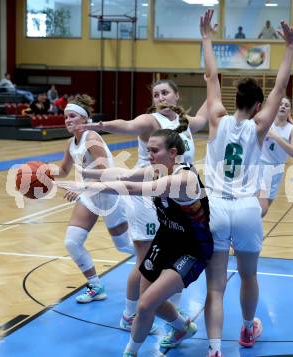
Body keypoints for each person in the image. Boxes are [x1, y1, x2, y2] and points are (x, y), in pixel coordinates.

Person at [57, 127, 214, 357]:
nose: (149, 154)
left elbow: (130, 188)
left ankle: (131, 352)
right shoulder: (156, 170)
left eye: (154, 150)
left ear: (172, 153)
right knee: (151, 302)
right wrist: (86, 175)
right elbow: (125, 175)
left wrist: (85, 187)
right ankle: (183, 328)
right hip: (166, 240)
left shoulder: (184, 178)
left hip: (191, 248)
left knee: (145, 305)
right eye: (148, 149)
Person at [200, 9, 293, 356]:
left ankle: (213, 349)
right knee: (249, 276)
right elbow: (281, 87)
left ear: (233, 101)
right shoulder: (259, 128)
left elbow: (211, 75)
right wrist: (289, 47)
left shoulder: (215, 118)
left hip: (215, 207)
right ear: (257, 106)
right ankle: (245, 331)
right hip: (245, 208)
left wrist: (207, 38)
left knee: (214, 288)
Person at [79, 79, 208, 333]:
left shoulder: (183, 122)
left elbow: (206, 115)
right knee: (146, 260)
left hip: (167, 196)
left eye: (165, 92)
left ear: (176, 96)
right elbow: (127, 126)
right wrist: (99, 125)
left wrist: (213, 83)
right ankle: (130, 315)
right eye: (156, 93)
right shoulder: (151, 121)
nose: (160, 96)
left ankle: (168, 310)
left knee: (171, 256)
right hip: (144, 195)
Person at [52, 94, 133, 304]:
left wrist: (81, 187)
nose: (68, 120)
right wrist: (42, 172)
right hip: (89, 195)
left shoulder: (92, 139)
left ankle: (160, 264)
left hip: (109, 194)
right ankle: (96, 286)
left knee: (124, 246)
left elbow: (107, 174)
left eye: (72, 116)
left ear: (84, 119)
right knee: (72, 242)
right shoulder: (71, 143)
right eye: (65, 117)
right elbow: (63, 170)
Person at [258, 97, 293, 217]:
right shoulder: (266, 124)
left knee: (263, 211)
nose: (283, 106)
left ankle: (250, 230)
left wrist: (276, 137)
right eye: (280, 104)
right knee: (261, 207)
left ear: (289, 111)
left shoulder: (292, 130)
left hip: (277, 170)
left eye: (286, 105)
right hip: (261, 167)